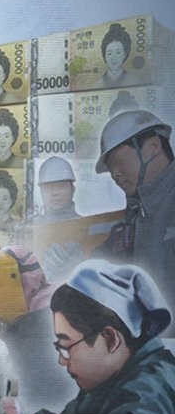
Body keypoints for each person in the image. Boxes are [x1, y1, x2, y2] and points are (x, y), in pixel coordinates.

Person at [19, 260, 175, 414]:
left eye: (66, 346)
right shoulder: (110, 380)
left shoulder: (151, 389)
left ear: (110, 339)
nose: (62, 360)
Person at [95, 110, 175, 314]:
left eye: (117, 160)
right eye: (110, 167)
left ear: (153, 147)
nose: (114, 174)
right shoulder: (134, 215)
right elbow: (101, 265)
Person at [96, 23, 144, 89]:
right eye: (109, 53)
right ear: (104, 55)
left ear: (125, 54)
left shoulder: (134, 81)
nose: (113, 58)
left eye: (118, 52)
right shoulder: (97, 84)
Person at [36, 156, 81, 222]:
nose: (55, 193)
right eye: (49, 188)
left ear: (73, 189)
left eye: (61, 186)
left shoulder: (88, 225)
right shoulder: (29, 226)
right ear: (41, 192)